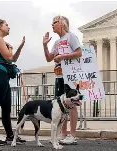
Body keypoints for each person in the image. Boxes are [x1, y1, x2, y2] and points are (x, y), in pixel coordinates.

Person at [42, 15, 82, 144]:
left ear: (62, 23)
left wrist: (63, 56)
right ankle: (63, 134)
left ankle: (73, 134)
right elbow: (49, 58)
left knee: (72, 104)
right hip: (59, 76)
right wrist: (44, 45)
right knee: (61, 105)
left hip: (70, 75)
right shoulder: (56, 42)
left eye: (54, 22)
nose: (52, 25)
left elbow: (79, 52)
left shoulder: (71, 36)